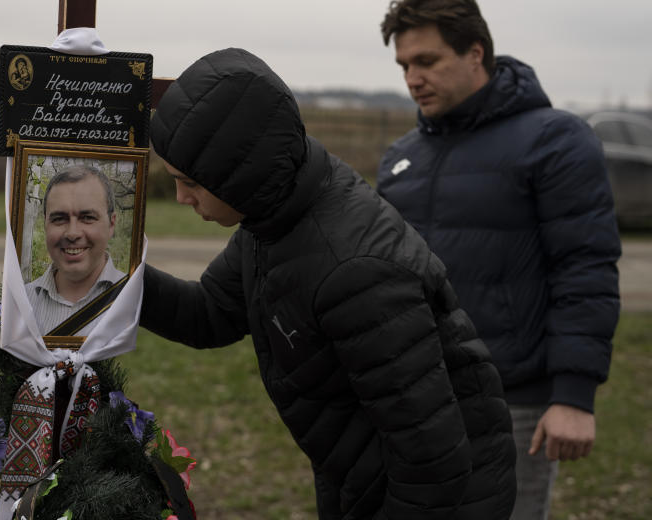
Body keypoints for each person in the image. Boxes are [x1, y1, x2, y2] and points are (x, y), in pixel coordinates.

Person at [142, 47, 516, 519]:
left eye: (190, 182)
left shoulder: (355, 270)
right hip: (363, 480)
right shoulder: (273, 213)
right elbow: (210, 313)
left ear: (238, 173)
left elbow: (431, 464)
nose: (179, 196)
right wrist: (111, 278)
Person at [375, 0, 621, 520]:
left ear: (475, 53)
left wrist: (574, 395)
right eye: (403, 66)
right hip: (413, 399)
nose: (413, 78)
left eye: (427, 61)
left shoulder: (555, 140)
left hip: (512, 402)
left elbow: (585, 269)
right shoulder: (402, 157)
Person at [27, 164, 125, 335]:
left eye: (87, 218)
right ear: (45, 224)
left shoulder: (135, 297)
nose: (72, 233)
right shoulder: (19, 302)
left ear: (111, 224)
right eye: (59, 219)